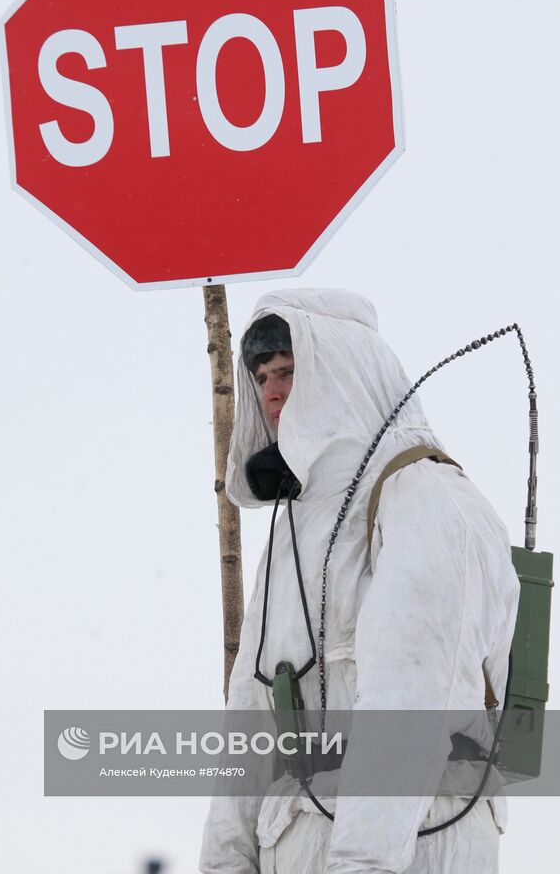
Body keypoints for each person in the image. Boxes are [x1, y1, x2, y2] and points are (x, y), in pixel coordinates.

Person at [200, 288, 520, 874]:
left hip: (420, 847)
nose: (270, 393)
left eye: (289, 371)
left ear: (340, 369)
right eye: (261, 375)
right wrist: (224, 863)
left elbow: (411, 703)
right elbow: (250, 717)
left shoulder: (426, 498)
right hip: (297, 847)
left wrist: (362, 865)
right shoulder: (293, 532)